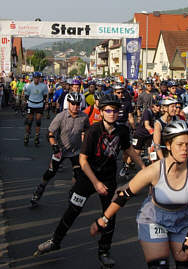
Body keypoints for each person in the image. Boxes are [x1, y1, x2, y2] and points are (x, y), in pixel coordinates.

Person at [33, 94, 145, 268]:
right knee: (73, 209)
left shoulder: (121, 131)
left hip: (108, 178)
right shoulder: (94, 131)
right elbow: (83, 161)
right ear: (101, 112)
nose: (112, 114)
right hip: (88, 177)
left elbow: (129, 149)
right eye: (108, 110)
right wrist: (95, 183)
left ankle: (104, 251)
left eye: (115, 111)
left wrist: (145, 169)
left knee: (110, 216)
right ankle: (56, 240)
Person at [90, 120, 188, 269]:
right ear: (169, 145)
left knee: (187, 265)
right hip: (154, 219)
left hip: (182, 220)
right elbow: (124, 195)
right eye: (180, 144)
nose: (185, 149)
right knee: (160, 266)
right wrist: (104, 219)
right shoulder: (155, 170)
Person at [30, 92, 90, 207]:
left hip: (75, 151)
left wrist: (86, 143)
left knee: (79, 175)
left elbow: (87, 131)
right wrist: (54, 146)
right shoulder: (61, 116)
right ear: (68, 103)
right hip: (60, 150)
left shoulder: (84, 117)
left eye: (78, 104)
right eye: (73, 104)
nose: (75, 106)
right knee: (50, 173)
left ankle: (73, 193)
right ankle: (39, 191)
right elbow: (50, 133)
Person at [23, 72, 48, 145]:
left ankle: (37, 136)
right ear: (33, 78)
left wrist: (46, 103)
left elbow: (45, 95)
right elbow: (26, 95)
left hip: (39, 105)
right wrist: (25, 102)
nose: (36, 79)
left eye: (38, 78)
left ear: (40, 78)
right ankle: (27, 135)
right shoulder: (29, 86)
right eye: (35, 78)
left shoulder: (43, 86)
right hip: (31, 105)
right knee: (29, 121)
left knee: (38, 121)